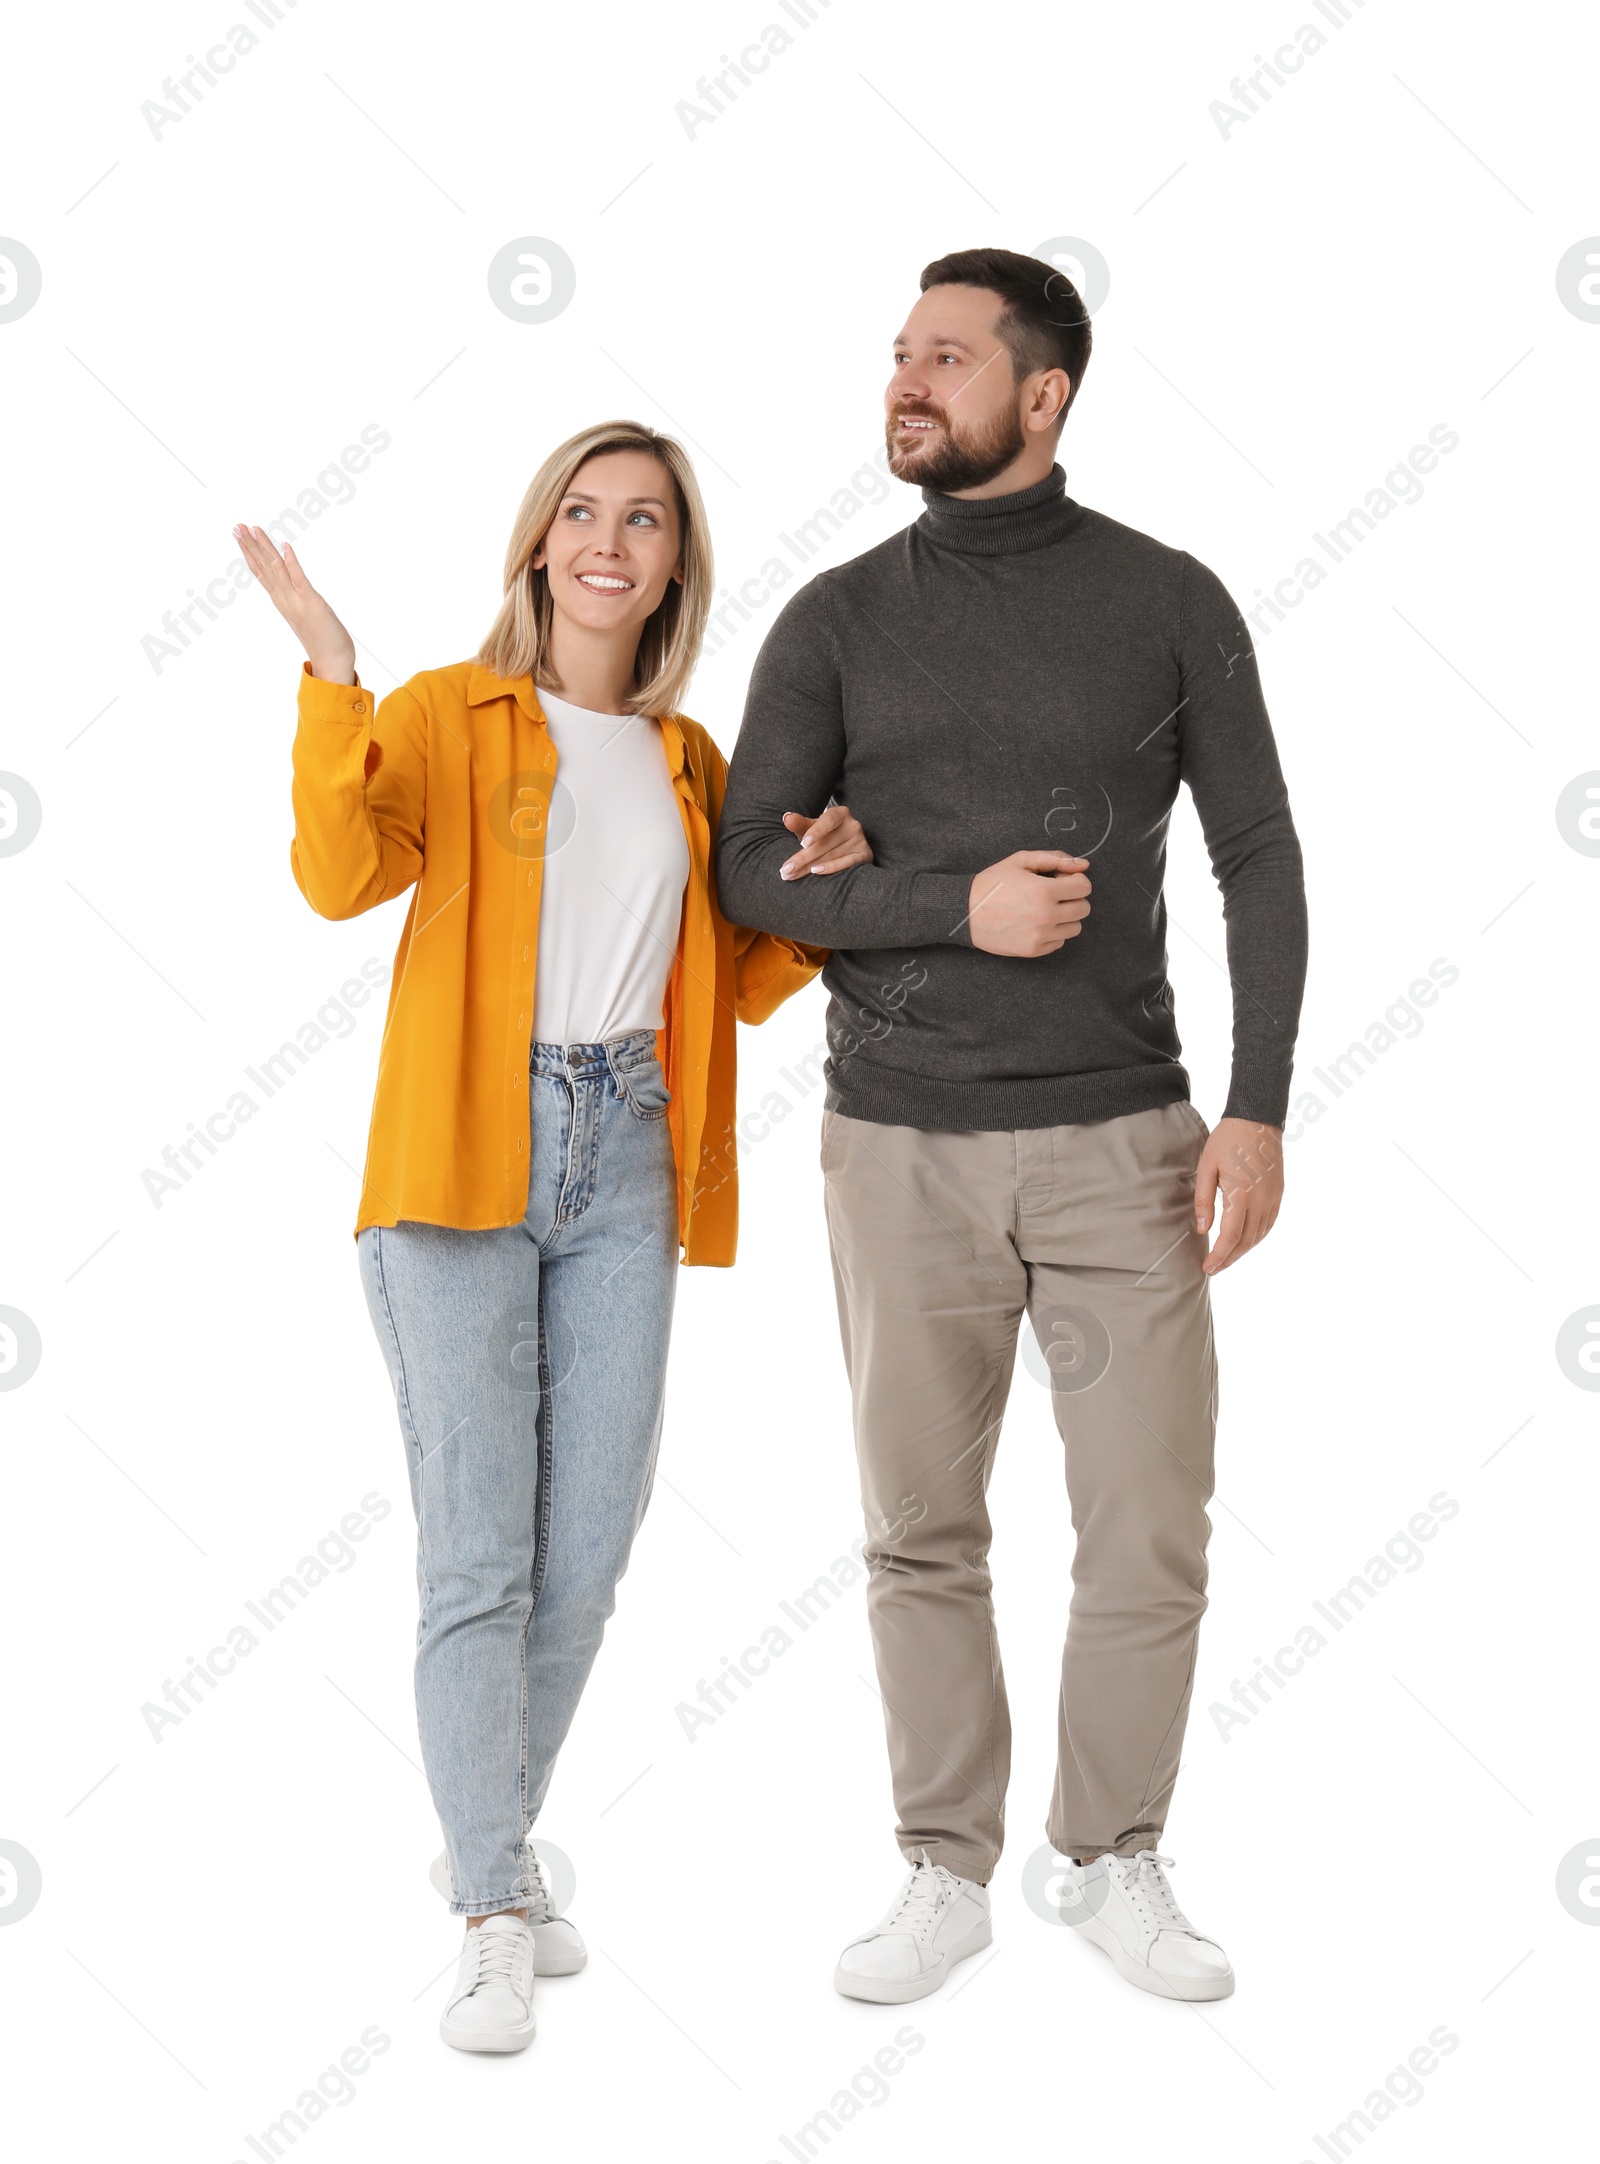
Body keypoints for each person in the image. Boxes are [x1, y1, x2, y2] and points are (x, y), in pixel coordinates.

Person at [715, 248, 1308, 2006]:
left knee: (1147, 1521)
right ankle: (938, 1869)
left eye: (947, 358)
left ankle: (1113, 1855)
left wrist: (1259, 1107)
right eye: (900, 352)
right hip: (895, 1145)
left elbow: (1259, 857)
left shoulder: (1171, 599)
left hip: (1129, 1138)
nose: (908, 381)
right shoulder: (833, 616)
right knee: (920, 1525)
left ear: (1041, 396)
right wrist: (938, 908)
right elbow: (749, 872)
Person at [236, 420, 872, 2053]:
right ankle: (494, 1909)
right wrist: (330, 674)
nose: (609, 541)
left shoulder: (692, 760)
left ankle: (489, 1846)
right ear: (538, 545)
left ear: (675, 563)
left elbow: (725, 983)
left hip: (630, 1154)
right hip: (459, 1151)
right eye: (581, 513)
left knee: (583, 1554)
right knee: (479, 1555)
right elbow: (333, 878)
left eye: (643, 520)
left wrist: (812, 890)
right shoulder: (450, 714)